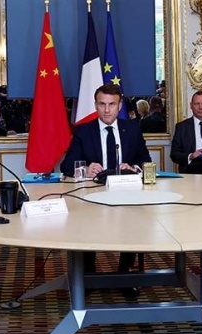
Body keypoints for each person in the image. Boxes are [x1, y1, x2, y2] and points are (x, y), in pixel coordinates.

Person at [60, 83, 152, 293]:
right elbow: (66, 166)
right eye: (102, 104)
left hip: (125, 195)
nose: (107, 110)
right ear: (95, 105)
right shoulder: (84, 131)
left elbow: (146, 163)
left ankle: (125, 274)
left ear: (119, 106)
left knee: (134, 220)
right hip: (92, 196)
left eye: (112, 104)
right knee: (85, 222)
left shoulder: (132, 130)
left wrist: (133, 167)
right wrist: (85, 167)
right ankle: (89, 274)